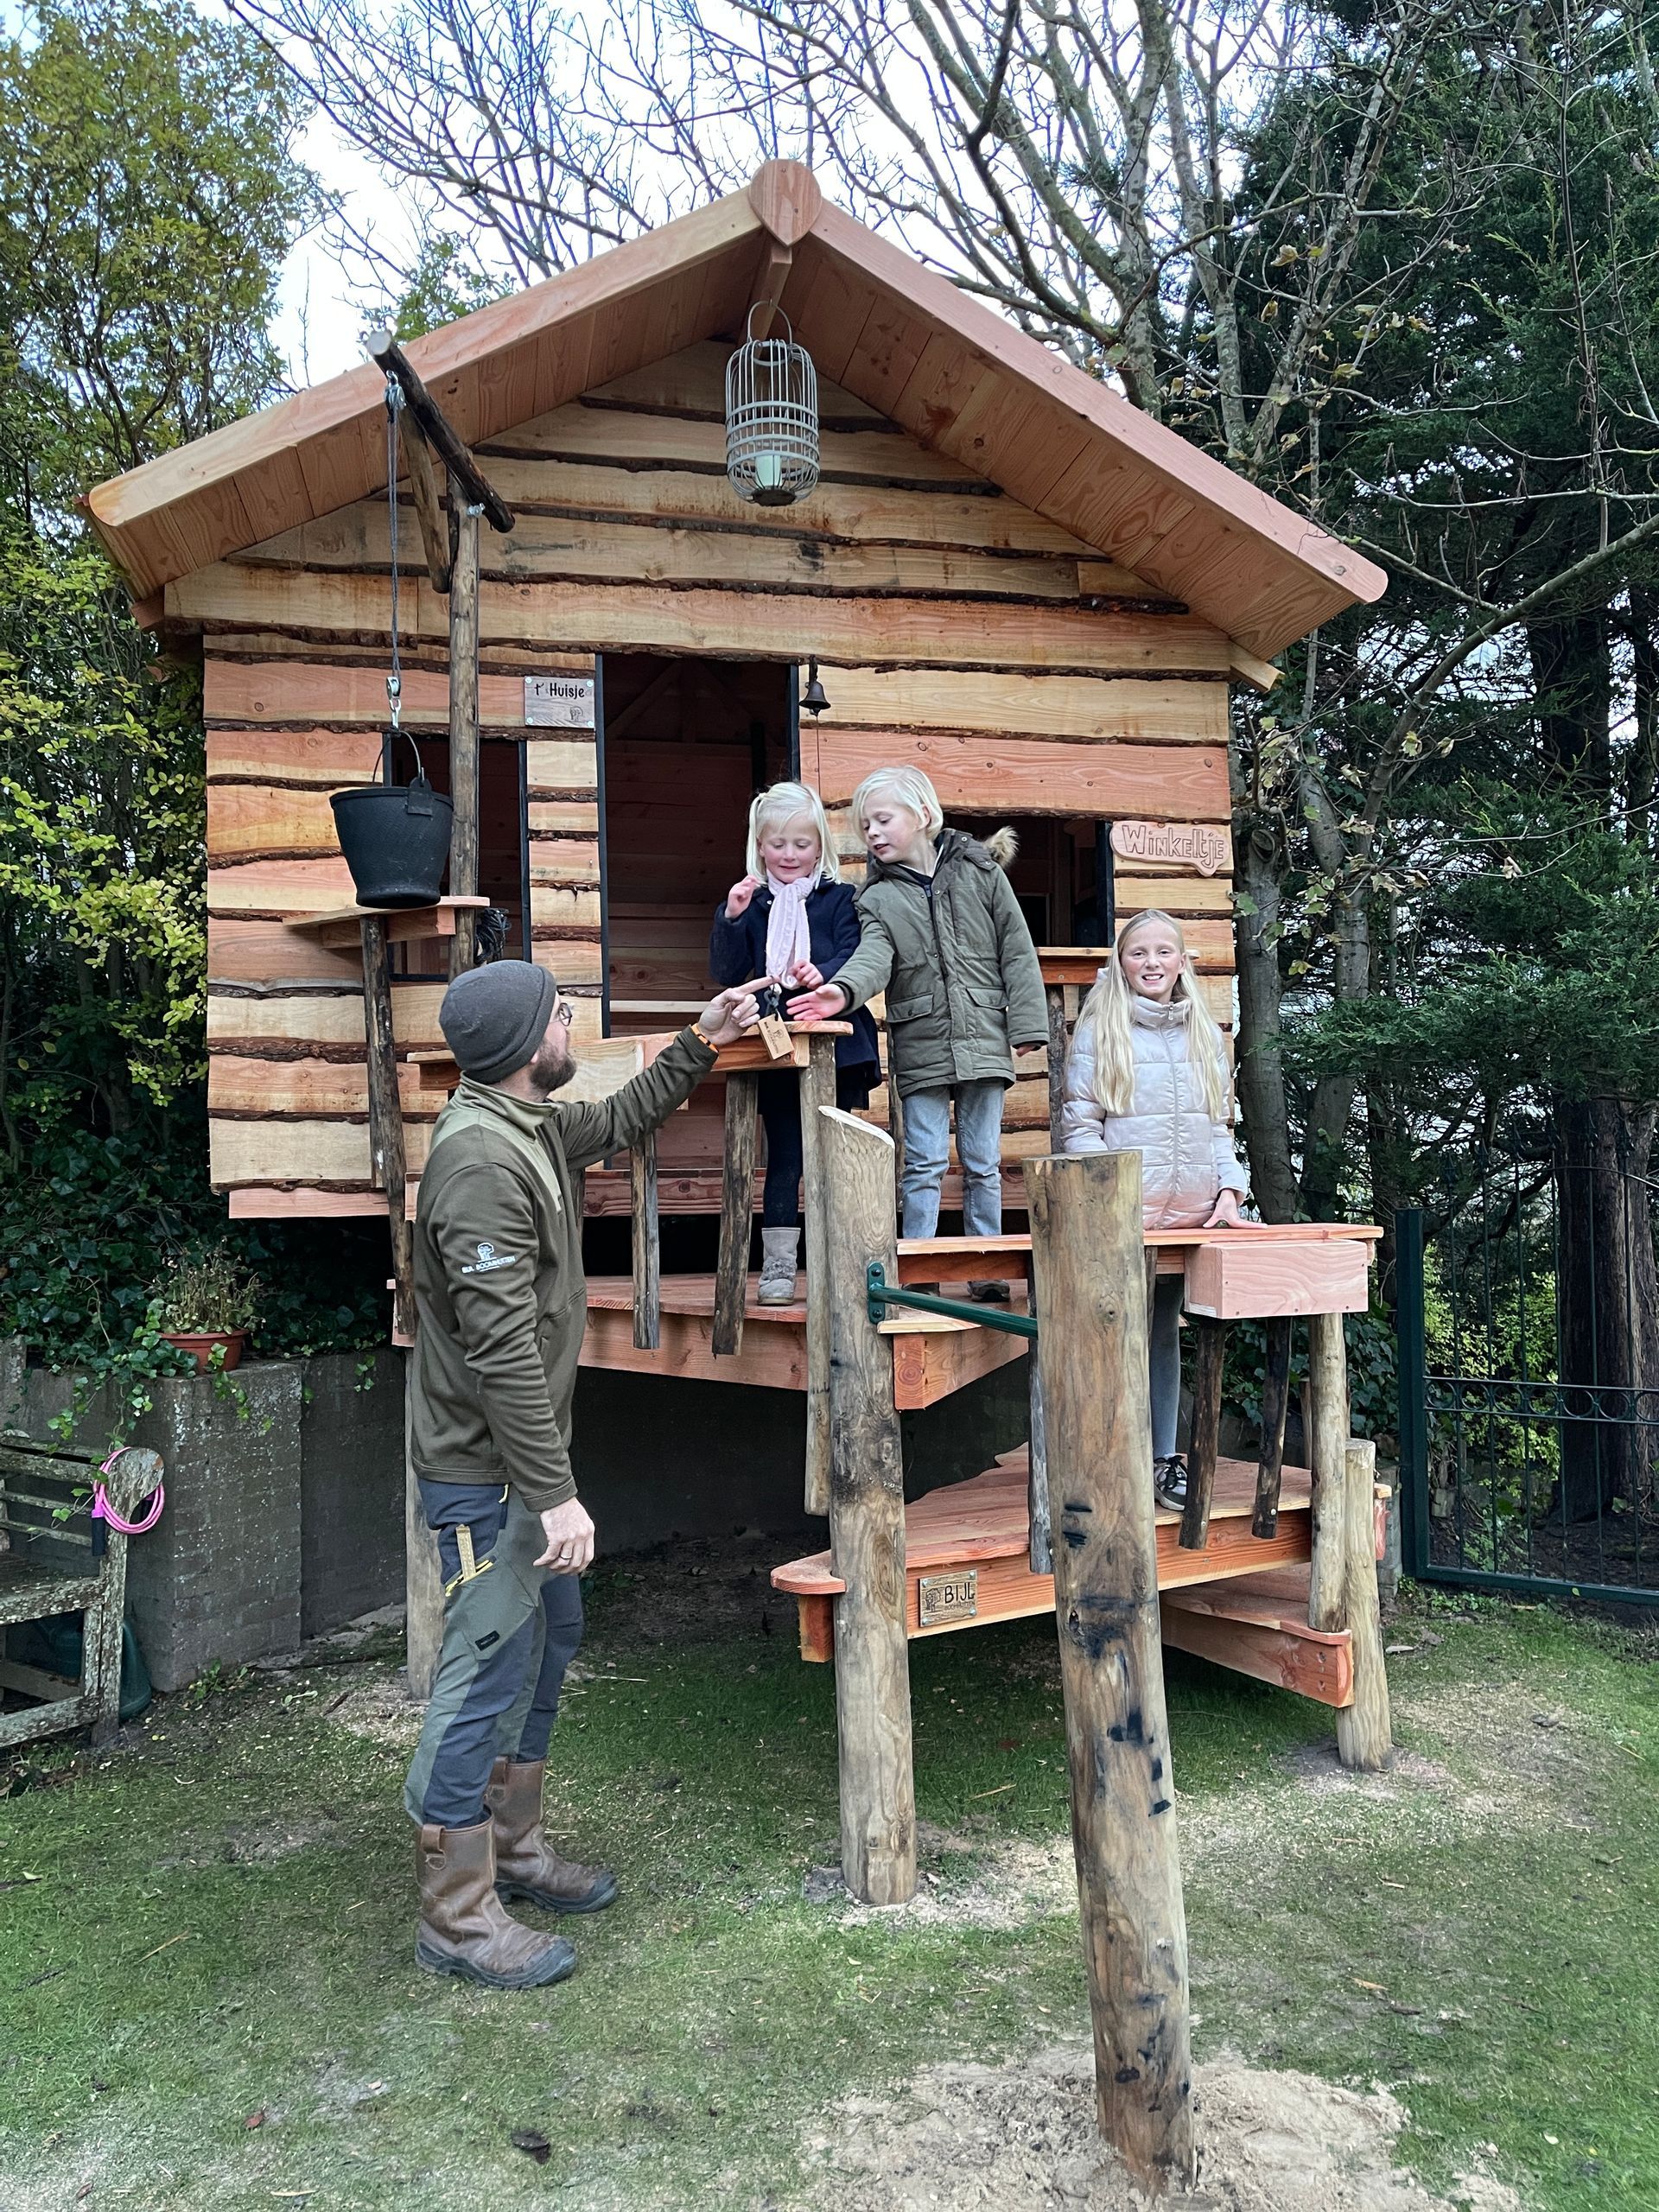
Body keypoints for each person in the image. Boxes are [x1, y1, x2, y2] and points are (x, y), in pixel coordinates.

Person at [404, 960, 760, 1989]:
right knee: (485, 1668)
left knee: (553, 1635)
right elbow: (501, 1346)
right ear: (527, 1047)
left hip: (522, 1465)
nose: (572, 1025)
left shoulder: (526, 1126)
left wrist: (701, 1038)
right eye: (562, 1015)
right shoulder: (478, 1163)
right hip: (486, 1472)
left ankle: (512, 1852)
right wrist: (553, 1491)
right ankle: (455, 1913)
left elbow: (615, 1120)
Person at [787, 766, 1046, 1296]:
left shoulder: (982, 873)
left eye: (883, 820)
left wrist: (1027, 1024)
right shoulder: (874, 899)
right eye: (866, 827)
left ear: (923, 815)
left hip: (985, 1036)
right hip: (922, 1042)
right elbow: (872, 959)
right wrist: (840, 992)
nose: (873, 833)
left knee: (982, 1163)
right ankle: (921, 1270)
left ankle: (985, 1268)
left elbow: (1016, 950)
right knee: (923, 1163)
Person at [1060, 910, 1248, 1513]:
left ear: (1183, 960)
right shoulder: (1100, 1029)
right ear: (1121, 962)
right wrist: (1105, 1199)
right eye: (1139, 952)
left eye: (1164, 951)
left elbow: (1219, 1128)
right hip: (1123, 1221)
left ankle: (1164, 1462)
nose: (1152, 963)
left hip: (1189, 1223)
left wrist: (1230, 1191)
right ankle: (1108, 1464)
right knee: (1112, 1338)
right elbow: (1081, 1128)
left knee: (1164, 1337)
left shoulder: (1204, 1035)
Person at [709, 780, 880, 1303]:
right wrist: (732, 918)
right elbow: (729, 972)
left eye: (801, 845)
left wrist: (820, 973)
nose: (789, 855)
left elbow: (856, 955)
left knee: (840, 1159)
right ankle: (779, 1269)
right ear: (760, 846)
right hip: (776, 1047)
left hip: (837, 1048)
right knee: (786, 1159)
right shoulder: (753, 902)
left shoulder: (839, 899)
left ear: (819, 848)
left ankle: (846, 1263)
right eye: (777, 844)